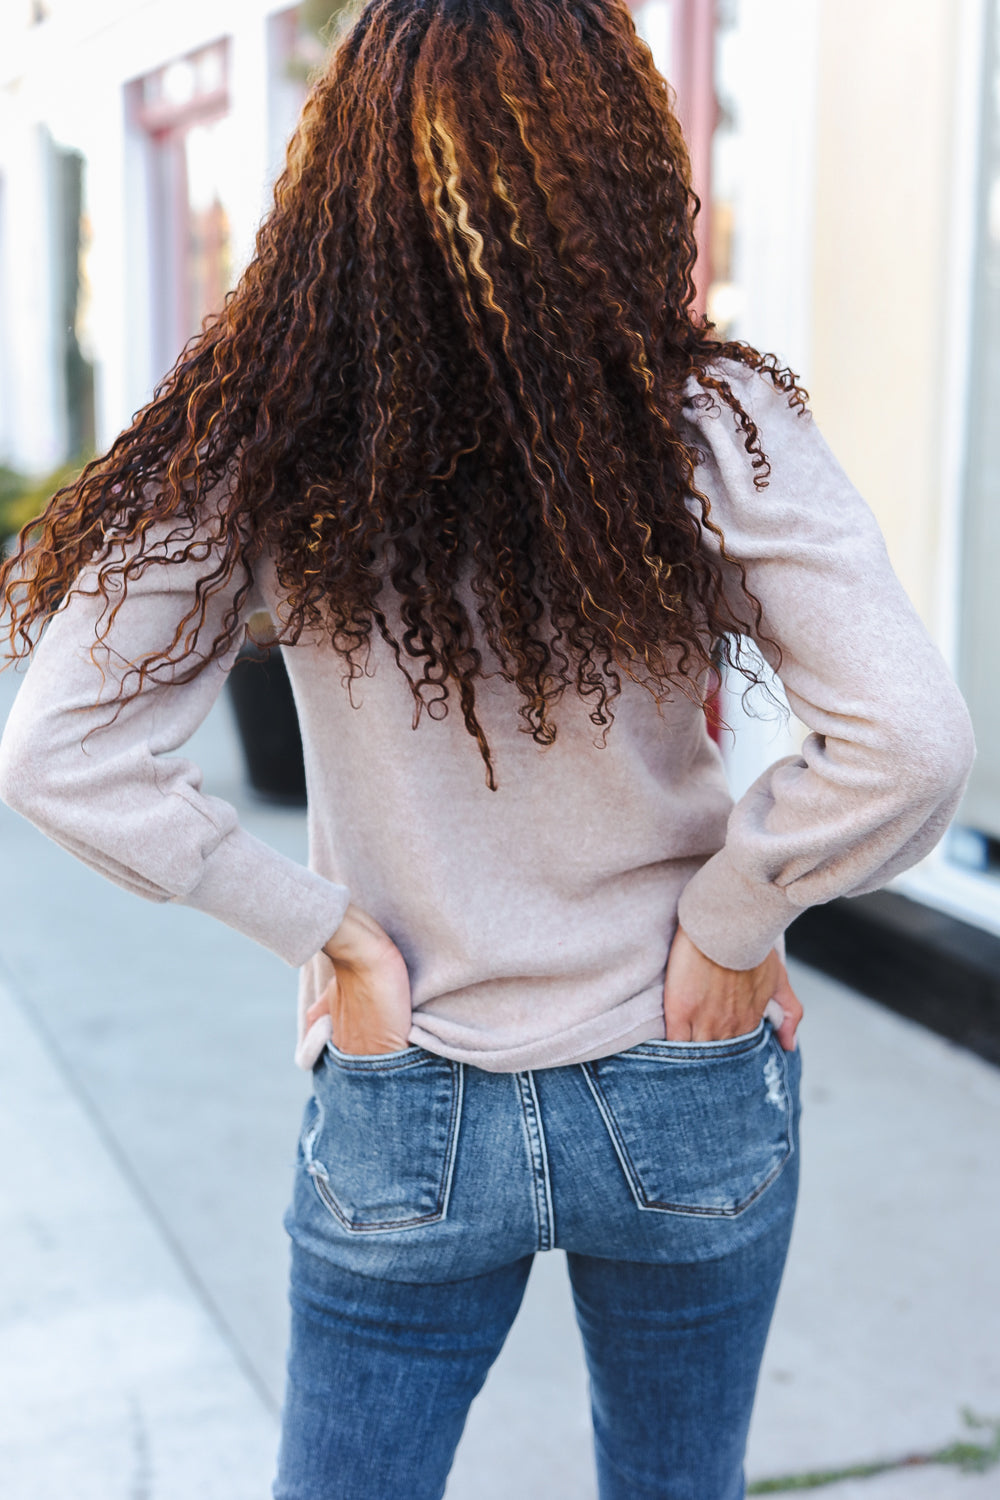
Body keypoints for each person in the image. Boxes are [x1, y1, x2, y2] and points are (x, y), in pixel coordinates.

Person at [0, 0, 976, 1496]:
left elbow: (59, 752)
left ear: (342, 189)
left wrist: (325, 934)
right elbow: (910, 741)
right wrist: (737, 914)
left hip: (410, 1074)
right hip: (685, 1052)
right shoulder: (706, 422)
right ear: (616, 166)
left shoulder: (267, 440)